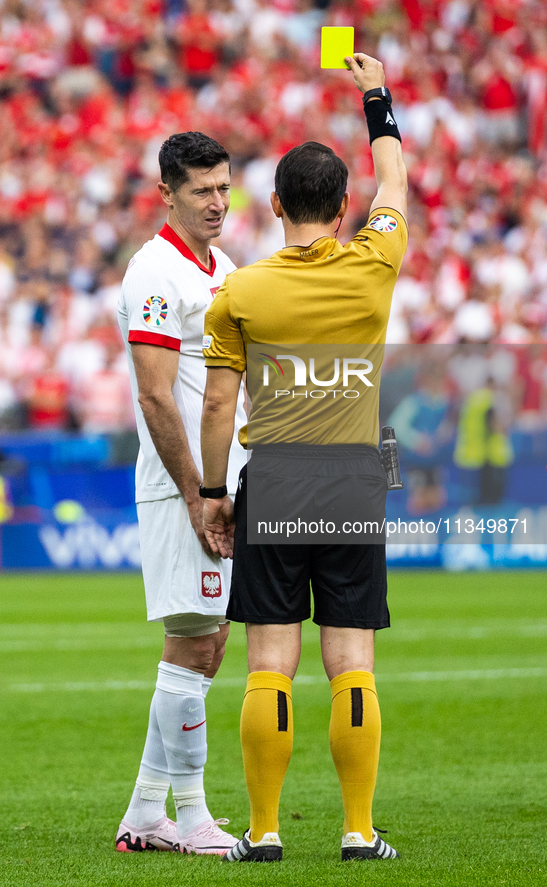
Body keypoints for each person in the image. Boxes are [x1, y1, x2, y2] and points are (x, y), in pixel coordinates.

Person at [199, 53, 408, 863]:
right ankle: (357, 829)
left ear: (275, 203)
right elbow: (395, 180)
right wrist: (373, 94)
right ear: (343, 205)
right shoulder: (374, 262)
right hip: (354, 472)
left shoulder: (241, 292)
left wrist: (214, 492)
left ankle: (263, 829)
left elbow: (219, 404)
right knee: (350, 658)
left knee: (270, 662)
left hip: (277, 474)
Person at [116, 131, 246, 856]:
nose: (216, 202)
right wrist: (198, 493)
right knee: (194, 643)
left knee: (208, 638)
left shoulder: (222, 265)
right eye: (201, 189)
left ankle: (144, 813)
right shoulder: (154, 271)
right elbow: (156, 396)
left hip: (216, 483)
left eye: (224, 187)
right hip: (183, 488)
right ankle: (191, 816)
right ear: (167, 192)